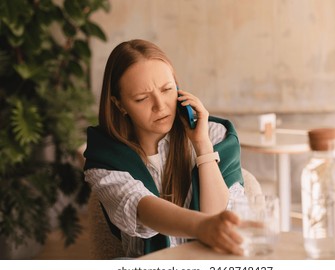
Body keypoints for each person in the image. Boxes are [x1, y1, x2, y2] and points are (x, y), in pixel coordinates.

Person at [84, 39, 246, 258]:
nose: (160, 106)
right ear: (120, 104)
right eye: (141, 98)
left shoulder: (216, 135)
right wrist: (201, 226)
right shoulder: (105, 154)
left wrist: (202, 146)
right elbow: (142, 208)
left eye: (167, 89)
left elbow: (218, 218)